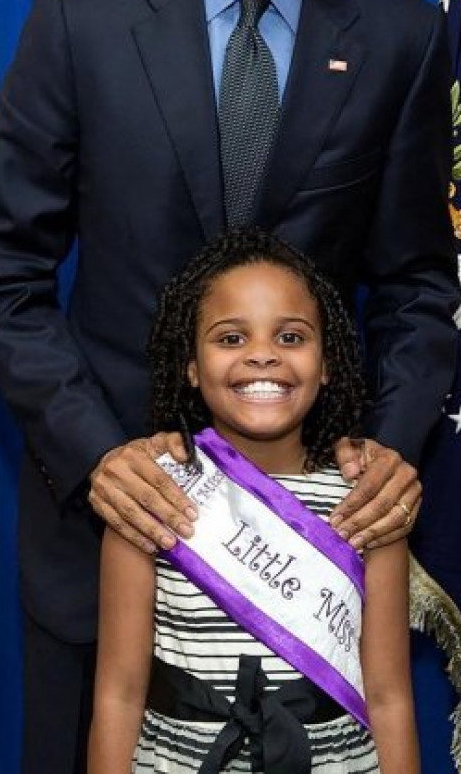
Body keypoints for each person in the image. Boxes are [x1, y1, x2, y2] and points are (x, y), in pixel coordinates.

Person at [0, 0, 457, 774]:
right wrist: (99, 455)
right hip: (111, 550)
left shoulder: (402, 41)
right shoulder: (78, 19)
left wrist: (392, 454)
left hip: (318, 564)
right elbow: (1, 269)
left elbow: (415, 285)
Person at [89, 229, 419, 774]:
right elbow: (118, 694)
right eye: (231, 339)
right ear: (191, 365)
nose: (262, 355)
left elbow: (389, 698)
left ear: (328, 361)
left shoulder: (368, 500)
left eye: (291, 337)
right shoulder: (149, 493)